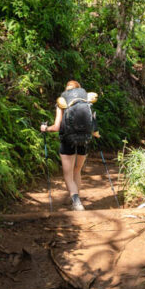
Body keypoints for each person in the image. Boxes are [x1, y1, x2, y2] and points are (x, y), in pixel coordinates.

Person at [40, 80, 98, 211]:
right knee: (77, 171)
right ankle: (75, 198)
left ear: (66, 90)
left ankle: (76, 202)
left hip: (67, 140)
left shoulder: (63, 101)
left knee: (68, 174)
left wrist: (45, 128)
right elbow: (93, 125)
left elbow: (56, 127)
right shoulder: (86, 101)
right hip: (84, 140)